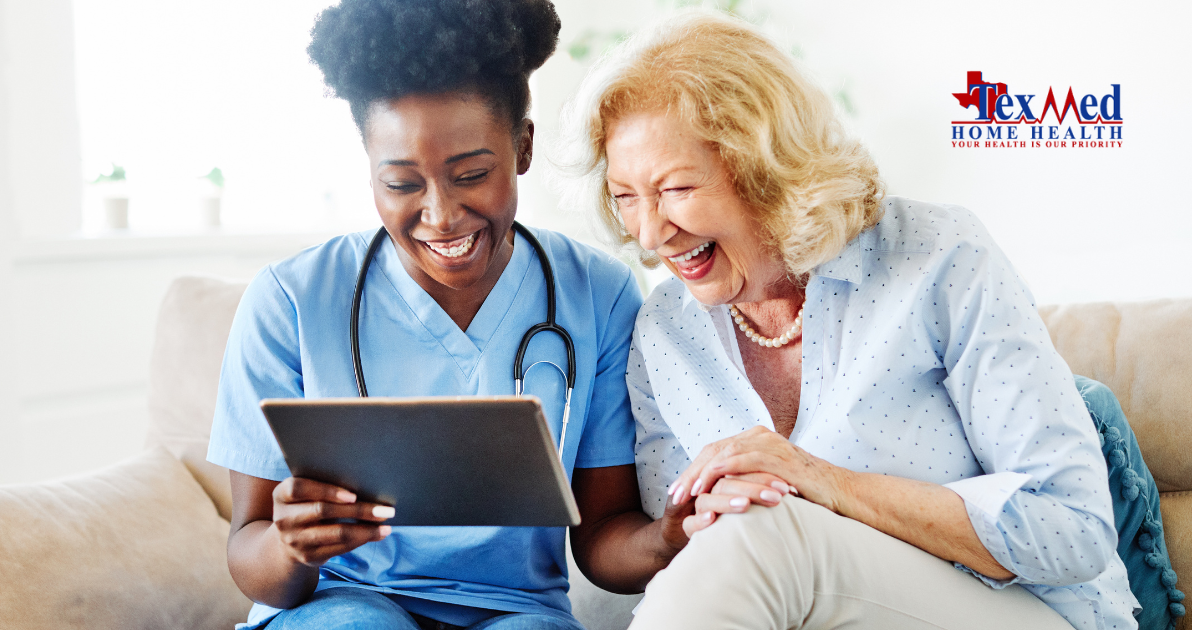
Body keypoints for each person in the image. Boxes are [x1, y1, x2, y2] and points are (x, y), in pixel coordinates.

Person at [557, 10, 1140, 630]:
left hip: (1024, 611)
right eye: (626, 197)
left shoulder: (938, 255)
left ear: (766, 170)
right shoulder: (665, 331)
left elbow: (1072, 531)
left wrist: (819, 482)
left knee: (767, 532)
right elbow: (701, 565)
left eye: (675, 190)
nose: (650, 234)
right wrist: (682, 526)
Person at [205, 1, 684, 628]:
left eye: (472, 175)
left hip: (515, 611)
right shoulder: (290, 300)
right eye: (402, 184)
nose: (441, 215)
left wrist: (672, 537)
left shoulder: (598, 293)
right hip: (343, 602)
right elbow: (249, 551)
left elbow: (601, 541)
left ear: (523, 146)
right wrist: (290, 544)